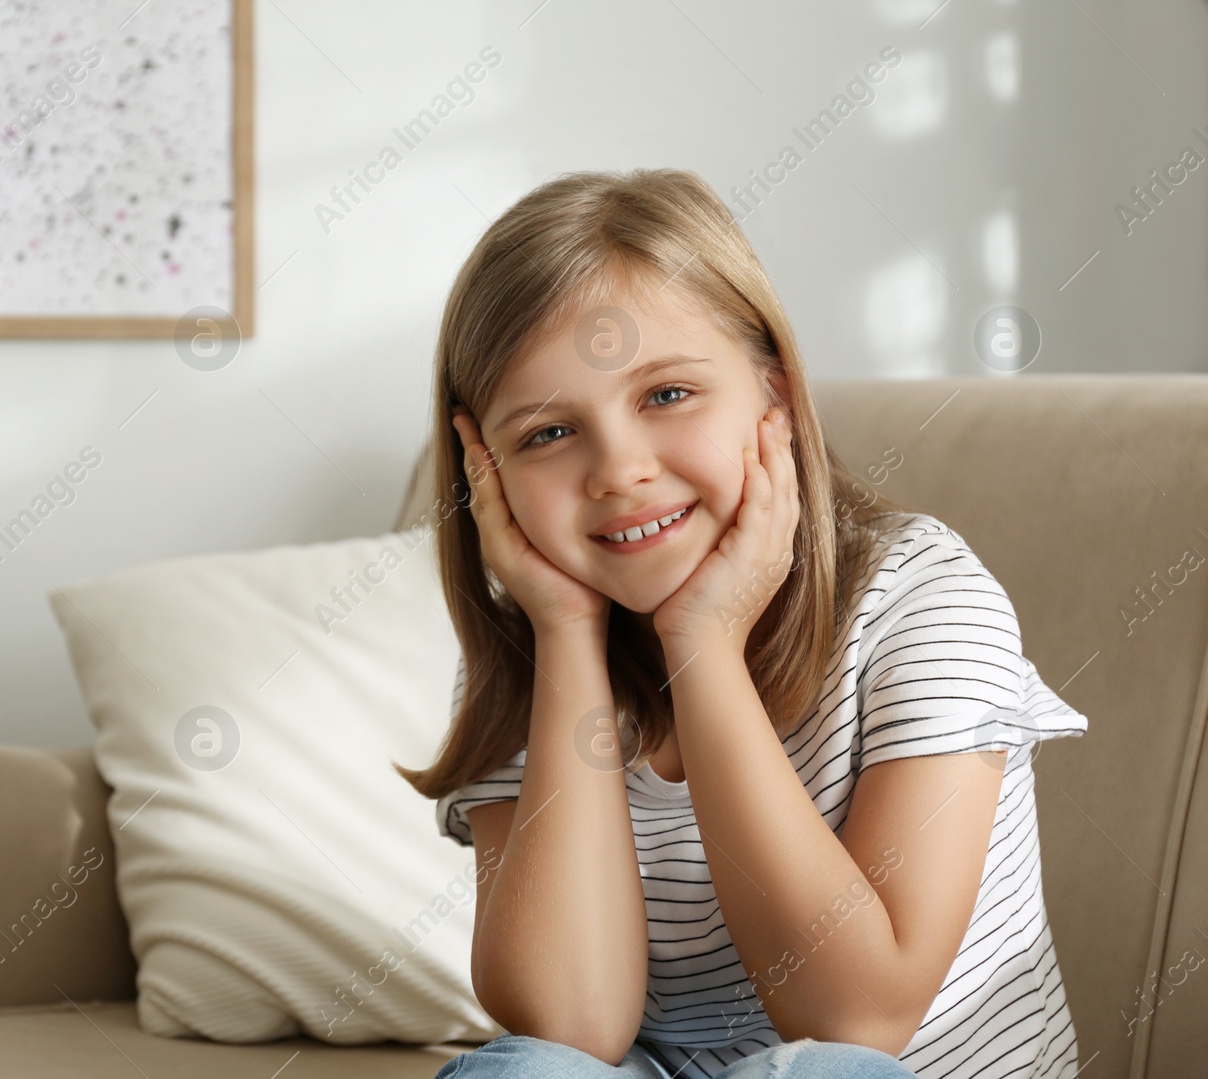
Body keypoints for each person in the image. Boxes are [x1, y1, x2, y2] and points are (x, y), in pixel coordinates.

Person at [393, 169, 1088, 1078]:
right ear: (483, 471)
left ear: (775, 389)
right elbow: (572, 1025)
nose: (619, 470)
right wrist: (565, 634)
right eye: (548, 435)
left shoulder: (922, 598)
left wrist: (702, 644)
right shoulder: (528, 654)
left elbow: (855, 1015)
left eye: (667, 394)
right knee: (517, 1070)